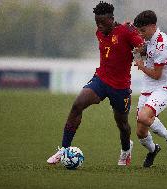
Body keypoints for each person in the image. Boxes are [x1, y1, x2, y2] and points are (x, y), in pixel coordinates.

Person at [47, 1, 144, 166]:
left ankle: (126, 150)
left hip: (120, 87)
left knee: (122, 124)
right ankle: (63, 150)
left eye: (102, 22)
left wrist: (136, 42)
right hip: (101, 80)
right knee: (77, 105)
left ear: (111, 19)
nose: (99, 26)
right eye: (96, 22)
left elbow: (141, 46)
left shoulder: (126, 32)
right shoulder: (100, 33)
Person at [133, 10, 167, 168]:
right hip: (148, 88)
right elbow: (149, 52)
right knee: (140, 131)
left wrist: (141, 65)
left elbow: (157, 75)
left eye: (143, 30)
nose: (141, 34)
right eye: (139, 30)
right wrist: (142, 51)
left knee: (144, 117)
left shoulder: (161, 44)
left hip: (164, 87)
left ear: (153, 26)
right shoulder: (151, 38)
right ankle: (153, 150)